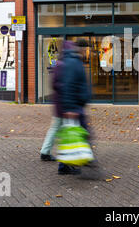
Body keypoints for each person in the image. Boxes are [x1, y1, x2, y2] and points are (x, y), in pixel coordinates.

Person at [40, 39, 92, 175]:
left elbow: (56, 84)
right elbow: (65, 85)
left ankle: (67, 160)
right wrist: (69, 103)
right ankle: (69, 161)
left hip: (63, 104)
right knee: (70, 132)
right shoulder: (69, 64)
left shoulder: (60, 64)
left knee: (64, 130)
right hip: (66, 106)